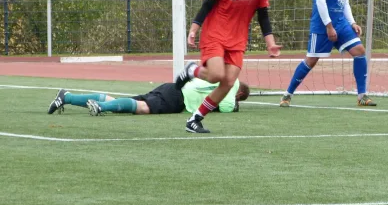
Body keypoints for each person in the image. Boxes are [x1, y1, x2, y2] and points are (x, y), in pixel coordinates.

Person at [176, 0, 282, 134]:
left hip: (237, 39)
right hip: (215, 32)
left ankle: (195, 119)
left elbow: (263, 16)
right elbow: (208, 3)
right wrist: (194, 28)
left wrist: (271, 43)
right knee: (216, 75)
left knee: (228, 83)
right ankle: (192, 71)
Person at [279, 0, 376, 107]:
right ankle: (287, 94)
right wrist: (329, 26)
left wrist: (352, 22)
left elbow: (343, 1)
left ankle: (362, 96)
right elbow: (320, 1)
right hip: (323, 26)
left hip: (341, 23)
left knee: (359, 51)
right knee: (311, 61)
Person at [46, 78, 250, 116]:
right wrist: (236, 106)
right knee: (142, 108)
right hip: (178, 98)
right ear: (241, 94)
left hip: (172, 87)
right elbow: (226, 106)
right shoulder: (234, 83)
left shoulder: (223, 75)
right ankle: (100, 108)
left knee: (126, 102)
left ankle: (68, 97)